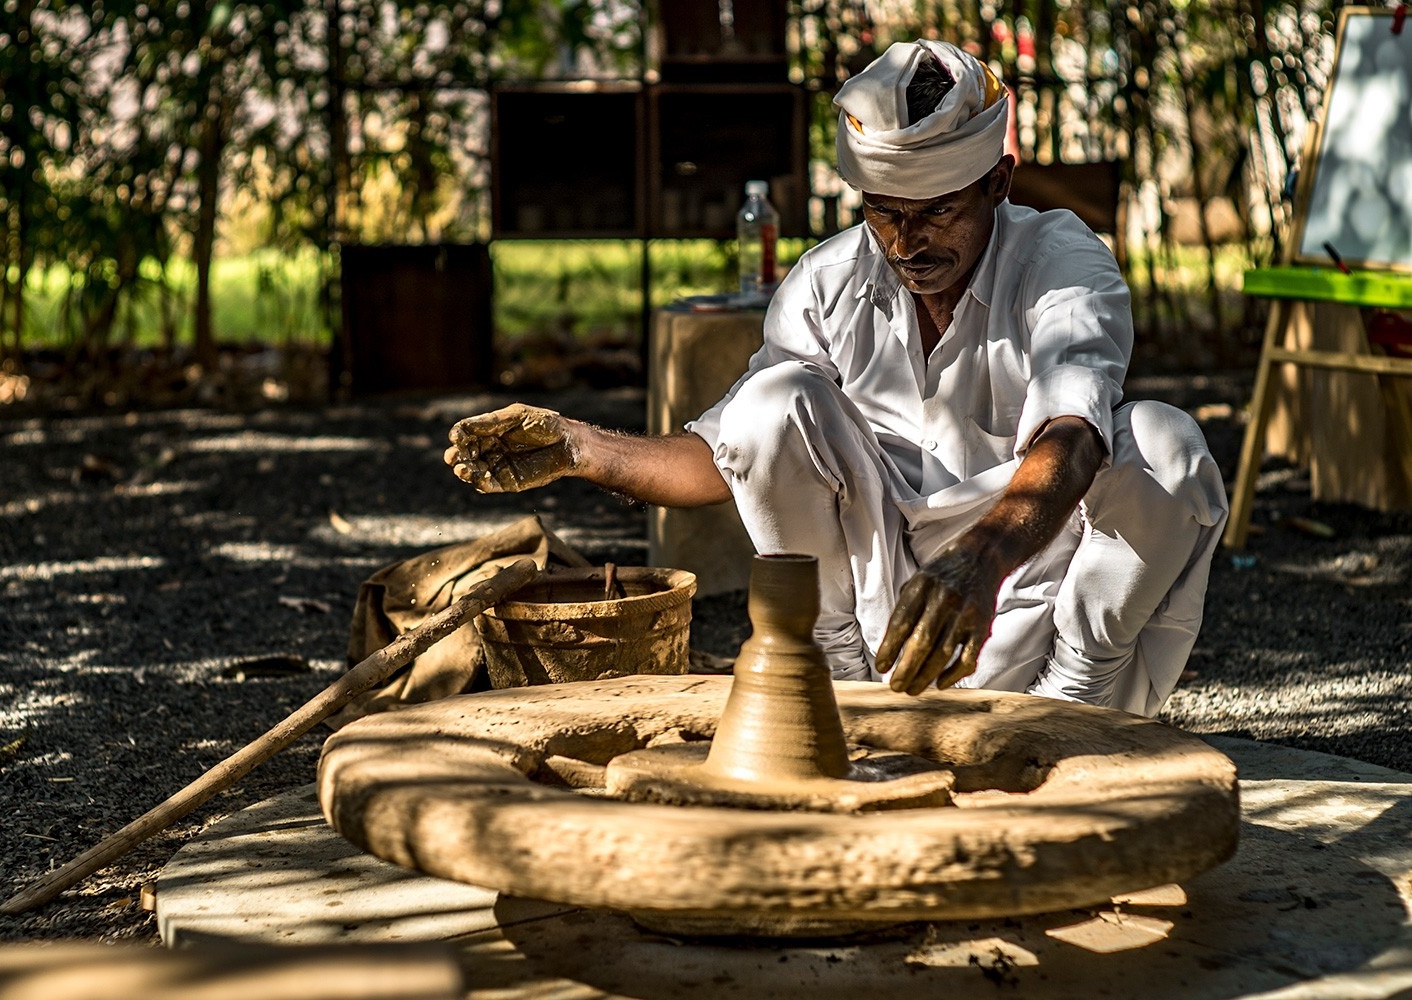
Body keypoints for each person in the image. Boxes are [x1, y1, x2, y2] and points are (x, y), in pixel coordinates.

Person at [445, 39, 1227, 718]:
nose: (907, 240)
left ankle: (1069, 714)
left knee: (1165, 442)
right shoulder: (829, 279)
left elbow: (1075, 436)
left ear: (998, 183)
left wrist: (979, 562)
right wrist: (579, 446)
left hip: (1031, 605)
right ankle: (842, 699)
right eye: (884, 212)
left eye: (937, 211)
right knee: (770, 401)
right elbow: (729, 450)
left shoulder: (1063, 261)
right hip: (883, 637)